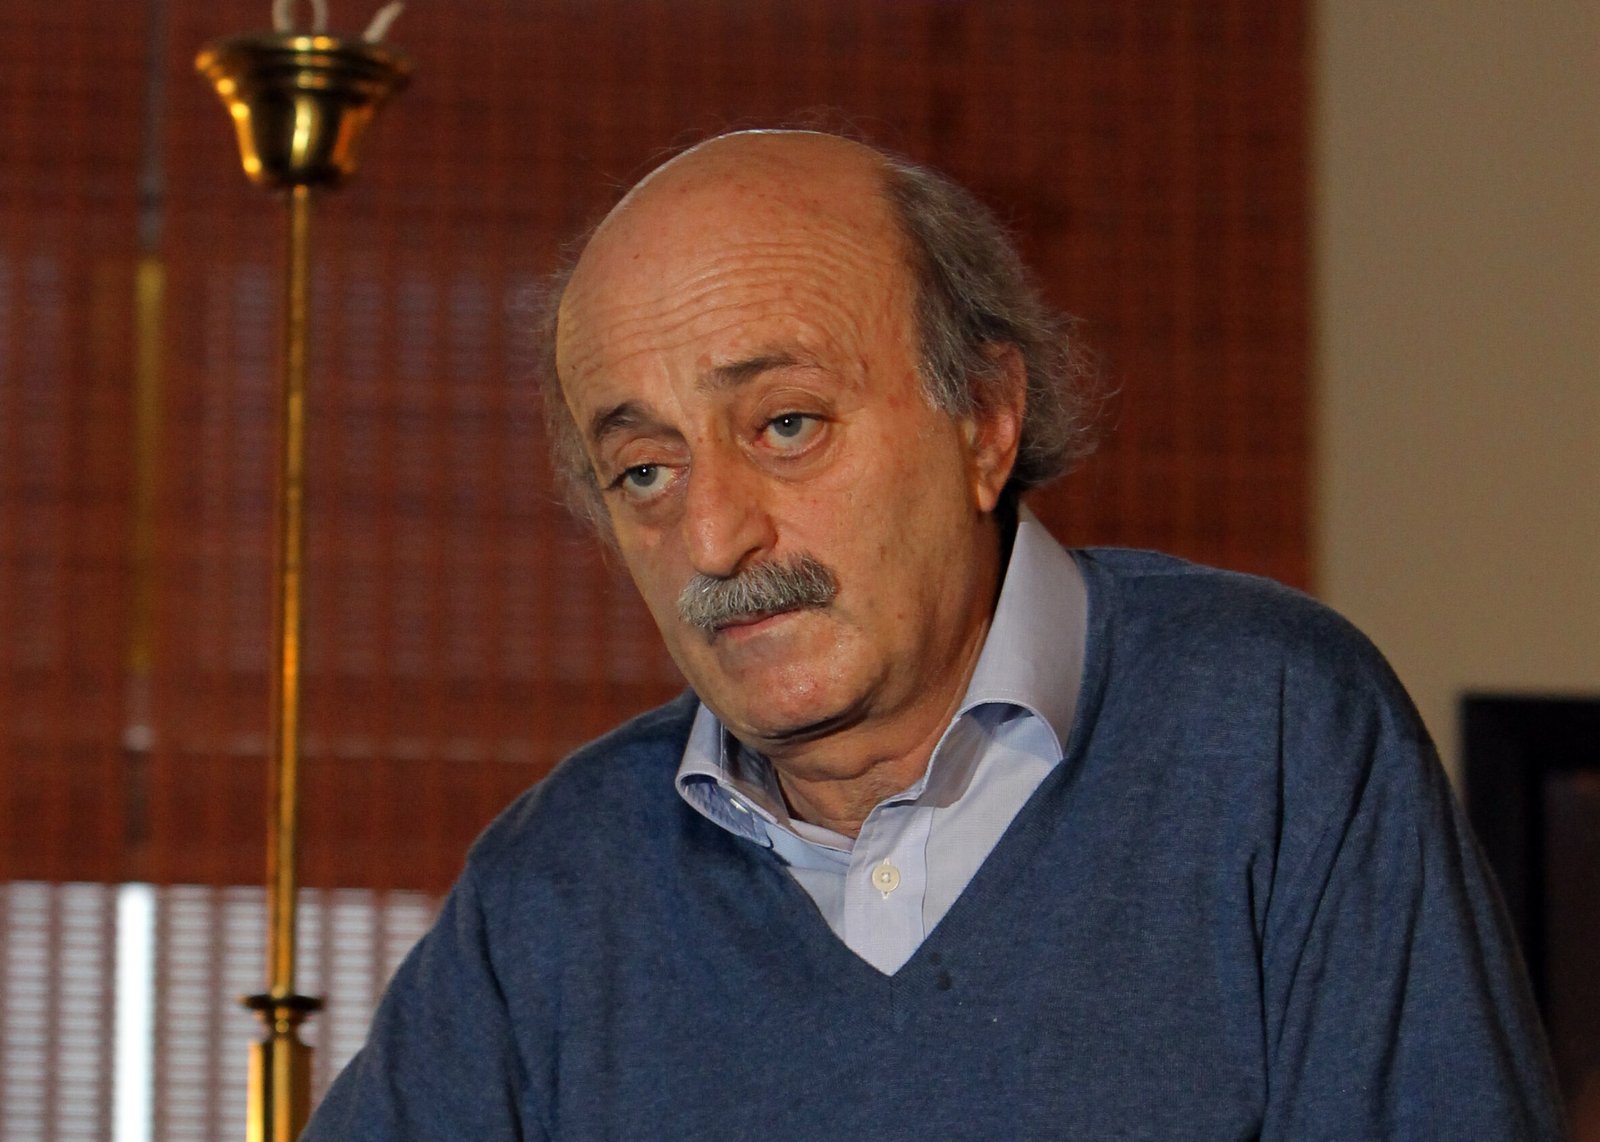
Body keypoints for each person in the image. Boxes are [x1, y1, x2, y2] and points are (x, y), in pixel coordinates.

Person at [304, 130, 1564, 1139]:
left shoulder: (1272, 730)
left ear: (986, 420)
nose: (713, 537)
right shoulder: (557, 881)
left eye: (786, 425)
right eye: (644, 470)